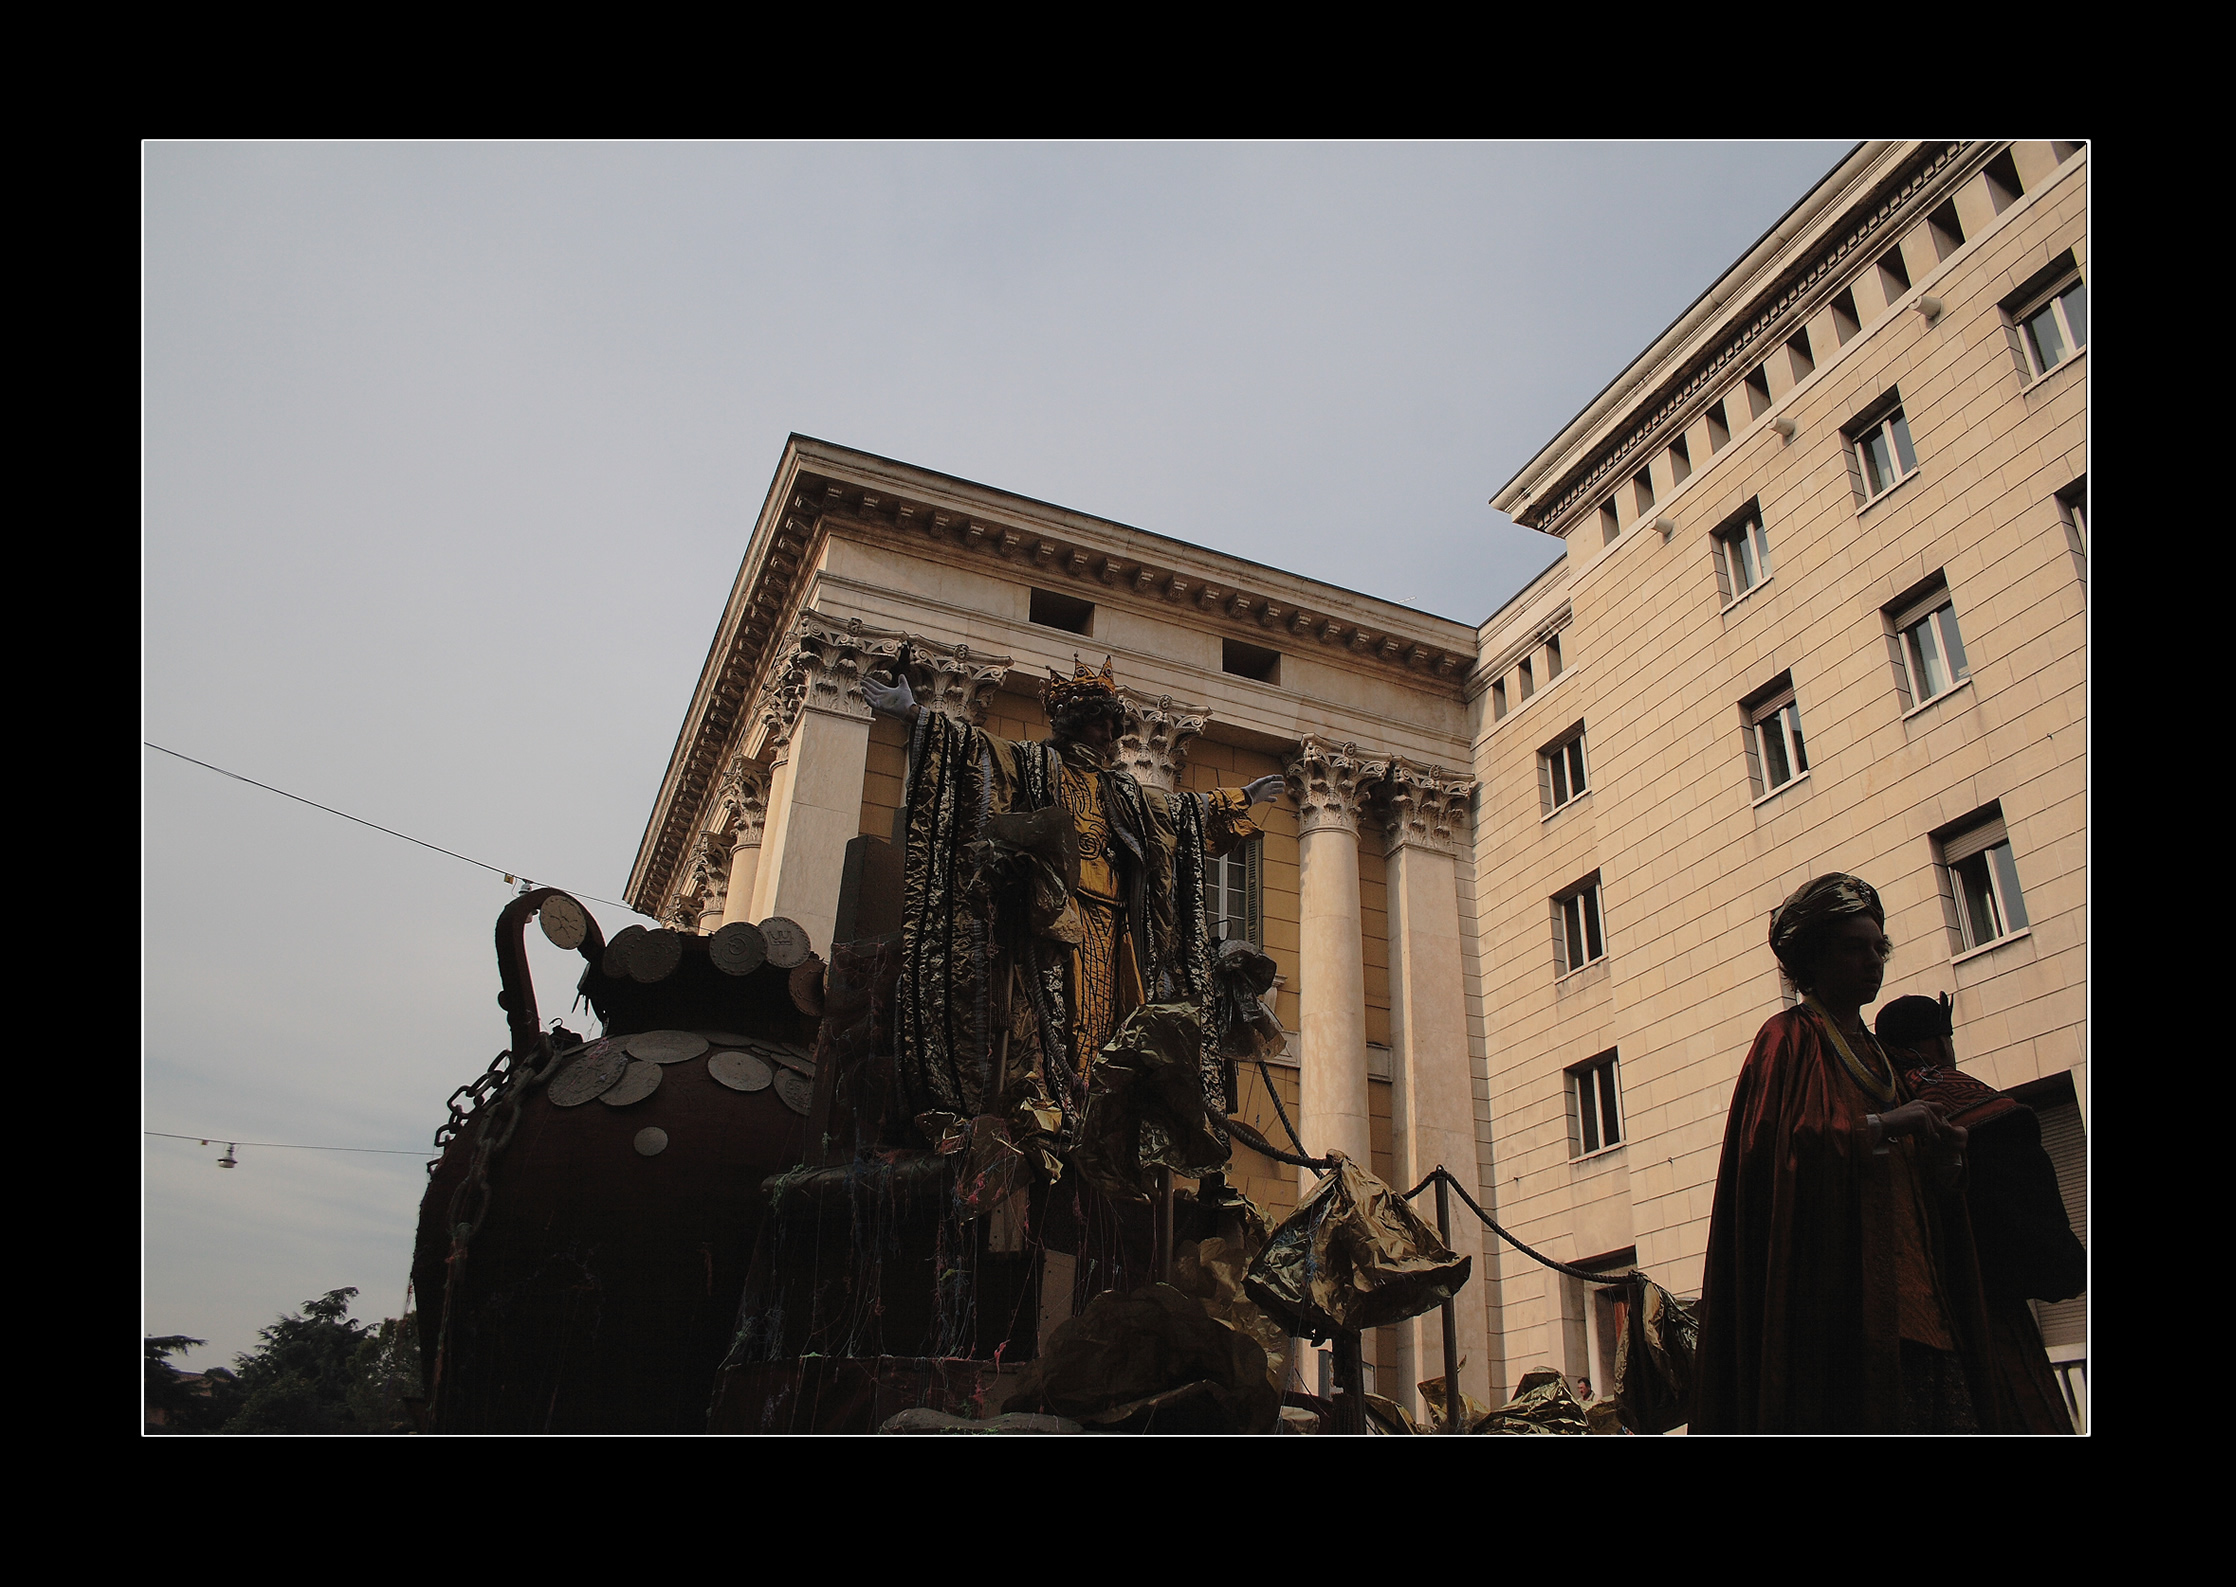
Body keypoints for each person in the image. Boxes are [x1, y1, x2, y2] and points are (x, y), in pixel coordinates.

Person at [863, 654, 1284, 1184]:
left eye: (1113, 722)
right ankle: (1050, 1110)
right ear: (1072, 721)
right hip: (1053, 923)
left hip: (1113, 931)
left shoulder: (1123, 792)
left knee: (1112, 1022)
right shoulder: (1037, 765)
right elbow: (976, 753)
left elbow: (1178, 814)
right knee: (1052, 1020)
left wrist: (1239, 797)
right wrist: (916, 716)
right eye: (1099, 719)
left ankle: (1094, 1113)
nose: (1109, 731)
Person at [1692, 874, 2012, 1432]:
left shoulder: (1885, 1057)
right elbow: (1778, 1151)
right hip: (1838, 1308)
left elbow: (1922, 1183)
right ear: (1812, 960)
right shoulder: (1786, 1039)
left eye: (1877, 948)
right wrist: (1882, 1126)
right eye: (1853, 948)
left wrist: (1949, 1157)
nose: (1872, 961)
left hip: (1924, 1304)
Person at [1876, 994, 2084, 1434]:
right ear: (1936, 1043)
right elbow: (2031, 1215)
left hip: (1905, 1325)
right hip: (1988, 1318)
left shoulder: (1878, 1107)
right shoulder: (1966, 1098)